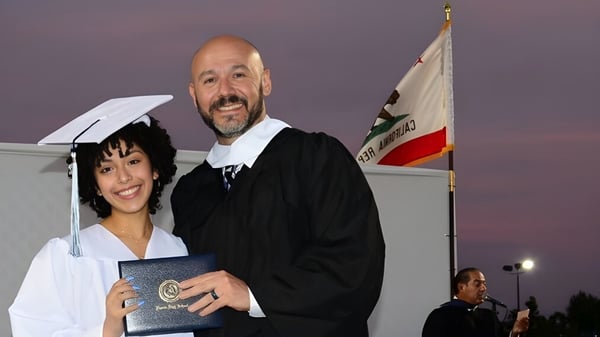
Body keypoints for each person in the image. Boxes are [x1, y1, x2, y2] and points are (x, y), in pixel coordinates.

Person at [170, 34, 386, 337]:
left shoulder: (316, 157)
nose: (225, 91)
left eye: (238, 74)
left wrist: (254, 296)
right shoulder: (190, 190)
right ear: (194, 96)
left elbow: (354, 264)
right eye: (209, 81)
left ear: (265, 81)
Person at [9, 110, 193, 337]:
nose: (123, 177)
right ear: (95, 185)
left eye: (133, 161)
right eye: (107, 169)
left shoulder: (178, 249)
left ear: (154, 168)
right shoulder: (66, 256)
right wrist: (108, 329)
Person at [421, 267, 530, 337]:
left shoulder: (488, 316)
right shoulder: (441, 316)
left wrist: (515, 332)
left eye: (484, 284)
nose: (483, 288)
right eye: (477, 284)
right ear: (461, 287)